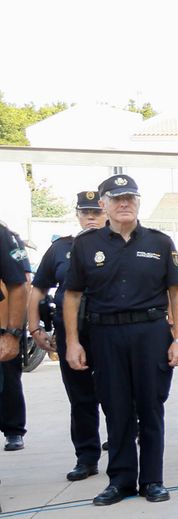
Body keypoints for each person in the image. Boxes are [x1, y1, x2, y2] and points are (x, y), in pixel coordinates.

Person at [61, 175, 178, 505]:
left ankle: (152, 480)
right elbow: (72, 296)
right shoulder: (86, 245)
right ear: (103, 204)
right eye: (117, 199)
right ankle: (120, 480)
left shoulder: (159, 243)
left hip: (149, 334)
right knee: (115, 409)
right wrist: (73, 342)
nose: (124, 204)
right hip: (104, 335)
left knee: (150, 407)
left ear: (138, 202)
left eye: (130, 198)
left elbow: (177, 293)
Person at [27, 191, 107, 480]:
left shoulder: (119, 245)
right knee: (80, 396)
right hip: (70, 331)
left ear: (106, 212)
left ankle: (123, 450)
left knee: (118, 393)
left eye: (95, 213)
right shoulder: (62, 248)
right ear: (77, 215)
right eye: (85, 213)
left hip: (108, 330)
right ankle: (86, 457)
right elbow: (38, 288)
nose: (90, 218)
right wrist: (34, 327)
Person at [1, 222, 30, 450]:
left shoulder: (5, 236)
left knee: (9, 378)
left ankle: (14, 429)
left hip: (3, 320)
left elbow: (20, 283)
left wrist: (12, 332)